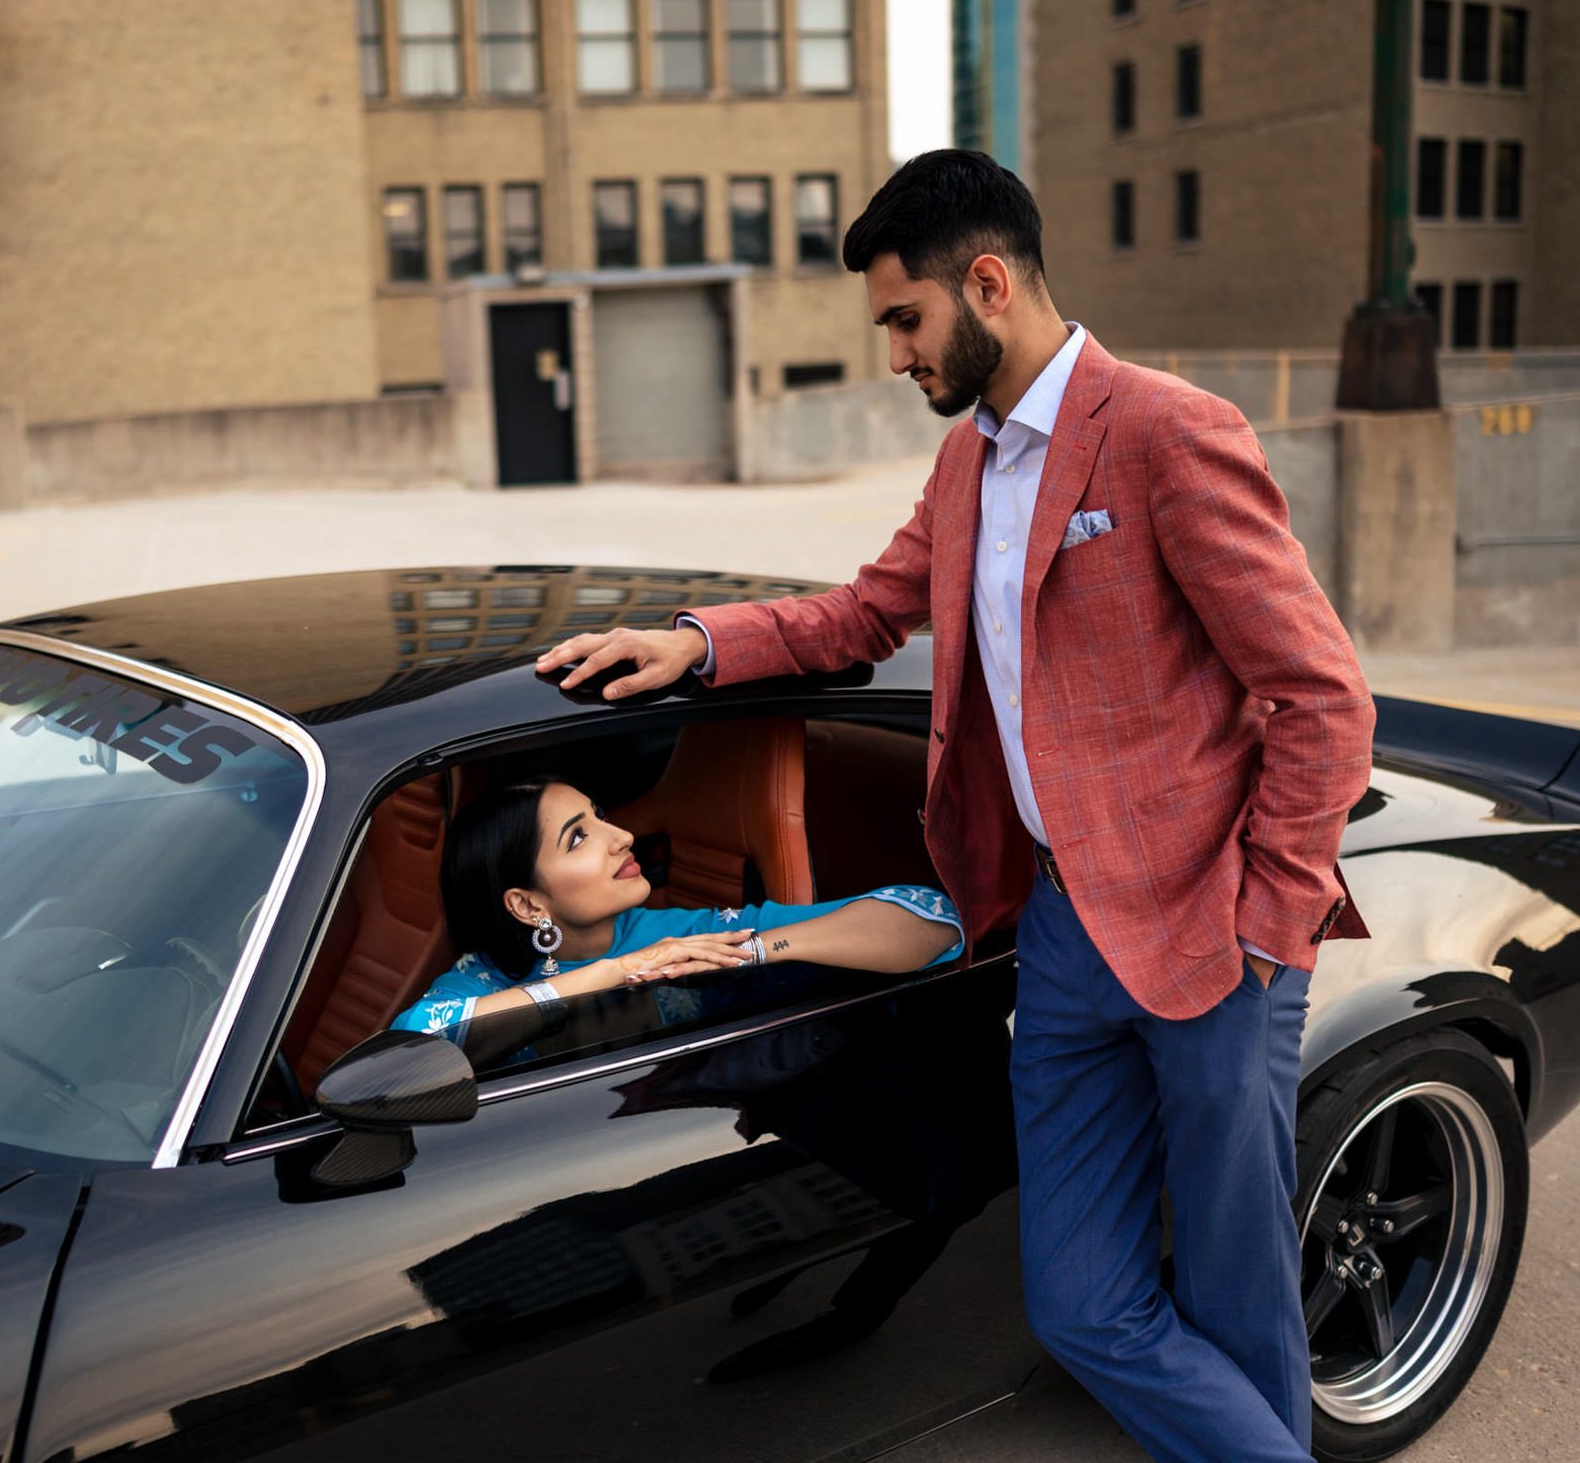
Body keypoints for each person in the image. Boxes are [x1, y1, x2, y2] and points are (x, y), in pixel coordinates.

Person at [533, 151, 1375, 1463]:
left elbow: (1320, 696)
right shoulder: (972, 465)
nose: (895, 355)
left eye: (904, 319)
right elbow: (864, 613)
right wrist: (695, 644)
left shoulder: (1164, 432)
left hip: (1213, 934)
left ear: (987, 282)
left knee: (1234, 1288)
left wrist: (1271, 922)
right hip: (1056, 932)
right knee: (1083, 1301)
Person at [392, 775, 962, 1067]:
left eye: (601, 816)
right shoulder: (484, 980)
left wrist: (756, 951)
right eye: (580, 837)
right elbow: (405, 1053)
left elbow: (931, 920)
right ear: (527, 905)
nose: (622, 837)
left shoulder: (685, 938)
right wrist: (619, 972)